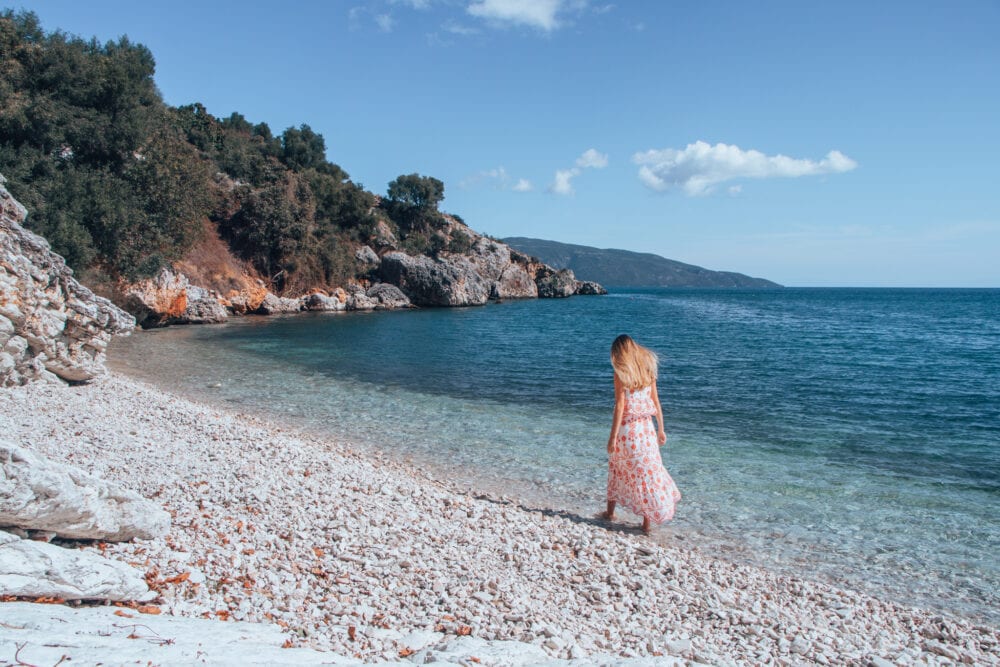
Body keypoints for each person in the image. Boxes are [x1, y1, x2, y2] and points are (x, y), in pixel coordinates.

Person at [602, 334, 681, 534]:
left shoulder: (621, 373)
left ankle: (609, 513)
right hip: (647, 431)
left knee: (618, 470)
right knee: (647, 474)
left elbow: (620, 406)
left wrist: (612, 437)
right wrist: (661, 429)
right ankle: (646, 524)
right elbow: (656, 402)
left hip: (628, 431)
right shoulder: (648, 370)